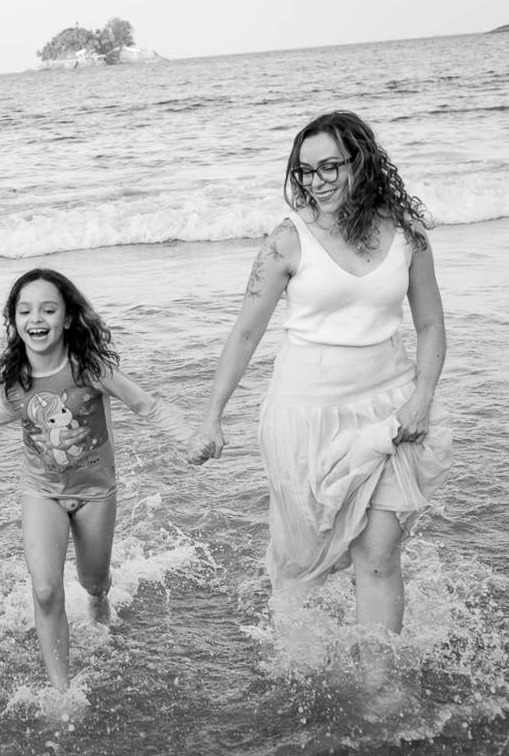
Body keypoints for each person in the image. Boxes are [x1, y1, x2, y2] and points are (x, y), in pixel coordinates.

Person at [187, 111, 453, 690]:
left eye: (329, 166)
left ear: (361, 161)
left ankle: (379, 687)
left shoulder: (407, 232)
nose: (316, 181)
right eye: (304, 171)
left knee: (378, 554)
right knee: (310, 555)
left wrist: (422, 398)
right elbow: (244, 333)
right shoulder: (288, 239)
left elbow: (430, 325)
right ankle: (299, 663)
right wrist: (212, 416)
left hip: (390, 405)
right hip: (304, 416)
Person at [0, 268, 197, 692]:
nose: (37, 318)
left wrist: (192, 439)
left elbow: (147, 406)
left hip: (95, 494)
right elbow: (5, 411)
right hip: (41, 491)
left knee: (93, 580)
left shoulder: (90, 369)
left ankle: (99, 599)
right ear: (14, 321)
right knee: (47, 590)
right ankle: (61, 693)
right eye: (25, 310)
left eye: (48, 309)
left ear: (67, 318)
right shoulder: (18, 378)